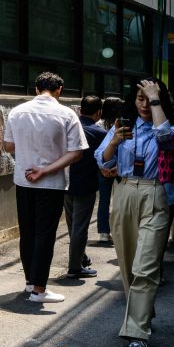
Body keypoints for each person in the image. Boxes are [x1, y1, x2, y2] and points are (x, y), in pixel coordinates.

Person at [95, 78, 174, 347]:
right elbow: (102, 160)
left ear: (162, 100)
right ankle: (143, 311)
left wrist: (156, 100)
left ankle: (137, 334)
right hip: (123, 192)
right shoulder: (122, 126)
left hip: (156, 193)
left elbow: (166, 142)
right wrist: (116, 142)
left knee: (146, 267)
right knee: (128, 266)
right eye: (140, 98)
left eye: (151, 99)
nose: (145, 104)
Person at [3, 72, 88, 303]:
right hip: (51, 183)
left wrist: (28, 150)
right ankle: (39, 290)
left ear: (36, 88)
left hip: (23, 180)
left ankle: (30, 282)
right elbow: (77, 152)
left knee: (27, 232)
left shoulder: (17, 112)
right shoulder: (66, 114)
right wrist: (46, 169)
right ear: (59, 89)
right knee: (45, 235)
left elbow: (8, 145)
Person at [63, 96, 107, 279]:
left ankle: (80, 257)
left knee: (73, 225)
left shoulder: (69, 128)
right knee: (80, 228)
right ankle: (75, 267)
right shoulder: (99, 133)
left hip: (65, 182)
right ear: (98, 113)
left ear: (80, 110)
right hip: (86, 185)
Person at [96, 96, 124, 247]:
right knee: (120, 199)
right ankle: (119, 230)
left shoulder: (99, 124)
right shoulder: (121, 123)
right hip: (120, 166)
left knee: (104, 199)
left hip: (103, 167)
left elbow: (98, 149)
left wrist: (102, 167)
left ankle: (103, 233)